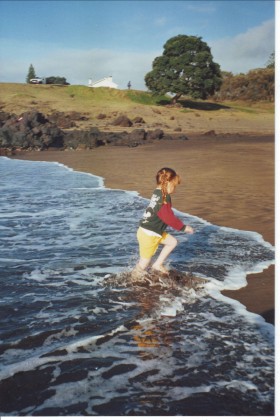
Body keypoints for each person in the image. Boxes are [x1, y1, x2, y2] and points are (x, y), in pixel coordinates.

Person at [135, 167, 194, 275]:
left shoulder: (157, 192)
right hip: (149, 234)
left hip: (152, 231)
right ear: (167, 182)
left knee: (172, 242)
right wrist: (183, 227)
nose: (175, 189)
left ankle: (158, 264)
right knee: (144, 262)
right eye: (174, 185)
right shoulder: (164, 197)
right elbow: (168, 217)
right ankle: (133, 278)